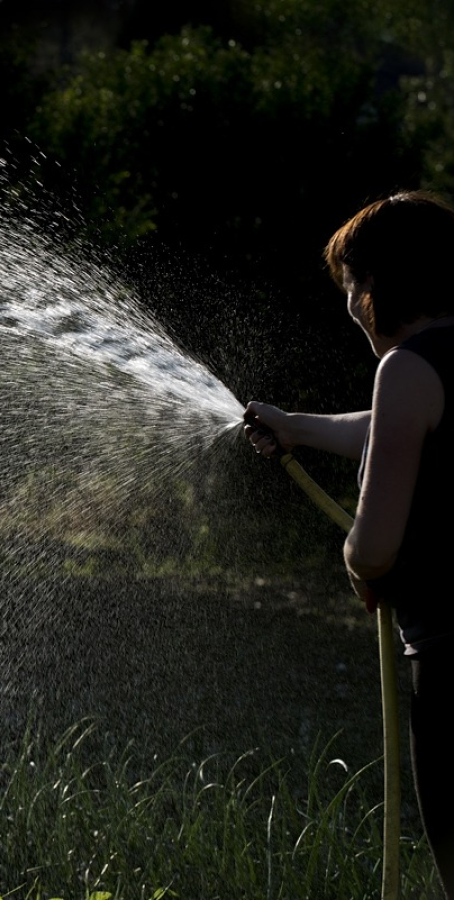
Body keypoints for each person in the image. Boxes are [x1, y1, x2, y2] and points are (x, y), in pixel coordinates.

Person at [245, 190, 454, 896]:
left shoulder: (405, 368)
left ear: (376, 286)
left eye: (351, 284)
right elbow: (382, 425)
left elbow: (373, 548)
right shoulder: (443, 367)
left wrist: (356, 562)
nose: (350, 304)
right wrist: (295, 426)